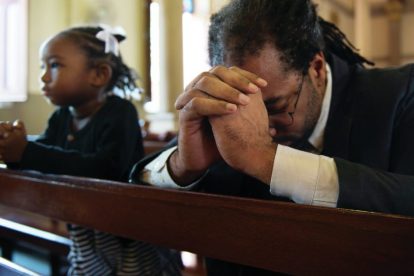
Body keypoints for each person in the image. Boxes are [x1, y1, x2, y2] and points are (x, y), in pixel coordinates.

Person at [130, 0, 414, 274]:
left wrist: (267, 159)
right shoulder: (223, 112)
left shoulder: (399, 95)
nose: (261, 125)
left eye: (274, 107)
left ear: (315, 69)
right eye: (245, 108)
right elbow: (132, 198)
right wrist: (184, 165)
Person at [0, 26, 180, 275]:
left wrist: (27, 152)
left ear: (98, 75)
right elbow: (42, 156)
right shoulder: (61, 117)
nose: (43, 77)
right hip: (85, 221)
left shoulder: (120, 113)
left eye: (54, 65)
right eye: (43, 66)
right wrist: (14, 150)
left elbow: (107, 168)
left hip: (129, 230)